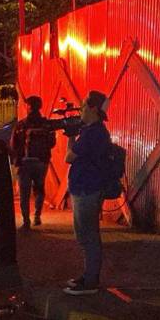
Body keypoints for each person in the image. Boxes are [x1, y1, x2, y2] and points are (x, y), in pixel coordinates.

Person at [63, 90, 111, 296]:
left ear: (93, 109)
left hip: (87, 190)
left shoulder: (93, 133)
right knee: (86, 235)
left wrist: (70, 136)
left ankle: (91, 281)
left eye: (83, 106)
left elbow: (69, 157)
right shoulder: (94, 131)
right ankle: (88, 275)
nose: (80, 110)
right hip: (86, 188)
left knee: (88, 236)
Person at [10, 95, 56, 229]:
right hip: (41, 162)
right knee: (39, 189)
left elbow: (13, 145)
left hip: (24, 163)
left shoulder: (21, 125)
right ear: (40, 107)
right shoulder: (46, 124)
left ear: (28, 107)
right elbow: (52, 143)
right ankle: (37, 216)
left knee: (24, 193)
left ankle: (26, 221)